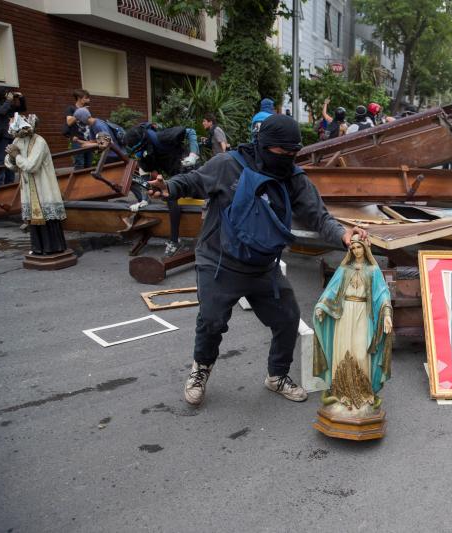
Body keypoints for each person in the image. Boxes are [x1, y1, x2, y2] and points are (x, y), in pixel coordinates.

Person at [145, 114, 368, 407]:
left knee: (287, 319)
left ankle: (277, 376)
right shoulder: (228, 166)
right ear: (263, 144)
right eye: (282, 152)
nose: (288, 158)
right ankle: (200, 370)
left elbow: (318, 216)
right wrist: (169, 188)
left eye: (294, 152)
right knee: (212, 322)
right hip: (219, 260)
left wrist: (343, 236)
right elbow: (195, 181)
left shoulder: (293, 177)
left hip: (263, 266)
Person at [312, 234, 392, 410]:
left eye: (359, 247)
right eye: (353, 248)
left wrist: (386, 313)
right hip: (344, 313)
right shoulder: (344, 269)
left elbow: (383, 293)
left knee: (360, 350)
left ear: (365, 248)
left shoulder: (373, 270)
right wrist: (321, 306)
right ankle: (341, 392)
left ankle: (363, 392)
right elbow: (331, 291)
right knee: (342, 350)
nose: (356, 251)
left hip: (363, 313)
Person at [123, 121, 200, 256]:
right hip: (175, 177)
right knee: (170, 197)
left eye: (139, 151)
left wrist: (193, 155)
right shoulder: (143, 154)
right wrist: (144, 199)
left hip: (190, 169)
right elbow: (145, 174)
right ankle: (175, 241)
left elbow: (191, 132)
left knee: (205, 197)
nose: (138, 155)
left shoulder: (162, 137)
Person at [4, 114, 68, 255]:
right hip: (28, 187)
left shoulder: (39, 141)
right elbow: (10, 164)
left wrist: (17, 156)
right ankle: (38, 248)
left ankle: (53, 248)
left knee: (47, 217)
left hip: (42, 186)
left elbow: (32, 166)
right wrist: (12, 158)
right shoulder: (18, 140)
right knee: (34, 219)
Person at [0, 86, 27, 185]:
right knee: (0, 161)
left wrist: (21, 98)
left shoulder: (9, 103)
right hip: (0, 136)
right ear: (1, 93)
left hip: (11, 135)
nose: (9, 95)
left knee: (11, 160)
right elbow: (1, 111)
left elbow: (23, 108)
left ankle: (9, 184)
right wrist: (8, 100)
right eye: (6, 93)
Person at [63, 89, 93, 170]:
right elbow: (69, 122)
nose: (88, 100)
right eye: (86, 98)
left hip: (88, 141)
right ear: (79, 98)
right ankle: (79, 182)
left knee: (89, 164)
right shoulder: (71, 108)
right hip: (77, 141)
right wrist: (79, 112)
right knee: (79, 165)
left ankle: (88, 182)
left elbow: (90, 124)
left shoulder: (86, 109)